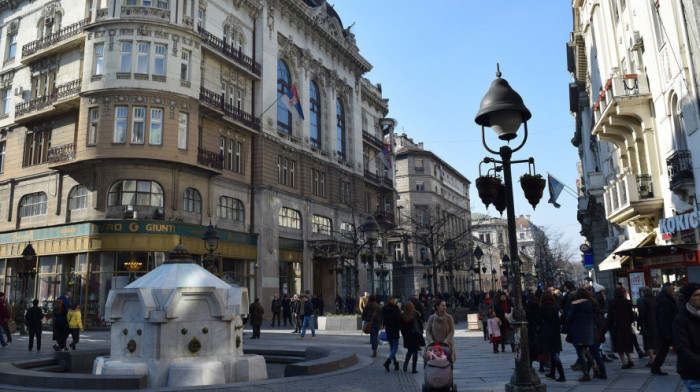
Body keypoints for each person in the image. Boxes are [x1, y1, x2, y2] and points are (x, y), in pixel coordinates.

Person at [673, 282, 700, 391]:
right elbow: (682, 349)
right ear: (688, 298)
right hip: (693, 374)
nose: (699, 298)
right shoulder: (681, 320)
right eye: (696, 295)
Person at [650, 283, 679, 375]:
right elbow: (663, 317)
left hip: (668, 329)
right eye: (672, 289)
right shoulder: (664, 300)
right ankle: (655, 367)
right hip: (668, 330)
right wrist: (666, 332)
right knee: (678, 348)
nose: (673, 291)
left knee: (663, 350)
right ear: (667, 289)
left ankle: (655, 367)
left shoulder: (665, 298)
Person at [566, 288, 594, 381]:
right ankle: (595, 367)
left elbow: (570, 317)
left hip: (578, 330)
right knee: (586, 350)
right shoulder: (590, 303)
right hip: (588, 330)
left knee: (581, 354)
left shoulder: (575, 305)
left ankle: (586, 373)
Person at [607, 286, 635, 369]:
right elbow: (631, 315)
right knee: (626, 344)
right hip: (626, 326)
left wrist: (608, 326)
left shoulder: (612, 302)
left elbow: (610, 316)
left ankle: (624, 363)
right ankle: (630, 360)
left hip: (617, 327)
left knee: (619, 346)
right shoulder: (628, 302)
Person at [540, 291, 565, 382]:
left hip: (548, 331)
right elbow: (560, 319)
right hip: (556, 332)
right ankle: (553, 373)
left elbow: (540, 319)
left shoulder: (543, 307)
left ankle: (562, 375)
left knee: (553, 354)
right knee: (554, 352)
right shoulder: (556, 307)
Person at [400, 301, 424, 373]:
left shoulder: (403, 315)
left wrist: (404, 335)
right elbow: (420, 324)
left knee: (410, 351)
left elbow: (402, 327)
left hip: (408, 336)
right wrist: (421, 332)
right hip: (415, 335)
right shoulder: (416, 313)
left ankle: (405, 365)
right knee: (415, 352)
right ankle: (414, 368)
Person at [637, 285, 658, 366]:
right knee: (656, 342)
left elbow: (642, 314)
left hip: (647, 324)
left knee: (648, 343)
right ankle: (658, 359)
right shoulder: (655, 299)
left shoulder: (642, 300)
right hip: (656, 323)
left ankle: (652, 360)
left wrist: (639, 323)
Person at [381, 297, 402, 371]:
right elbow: (399, 320)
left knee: (392, 348)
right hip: (395, 330)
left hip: (388, 330)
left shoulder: (385, 309)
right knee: (395, 348)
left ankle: (395, 363)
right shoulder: (396, 309)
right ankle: (388, 361)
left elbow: (383, 319)